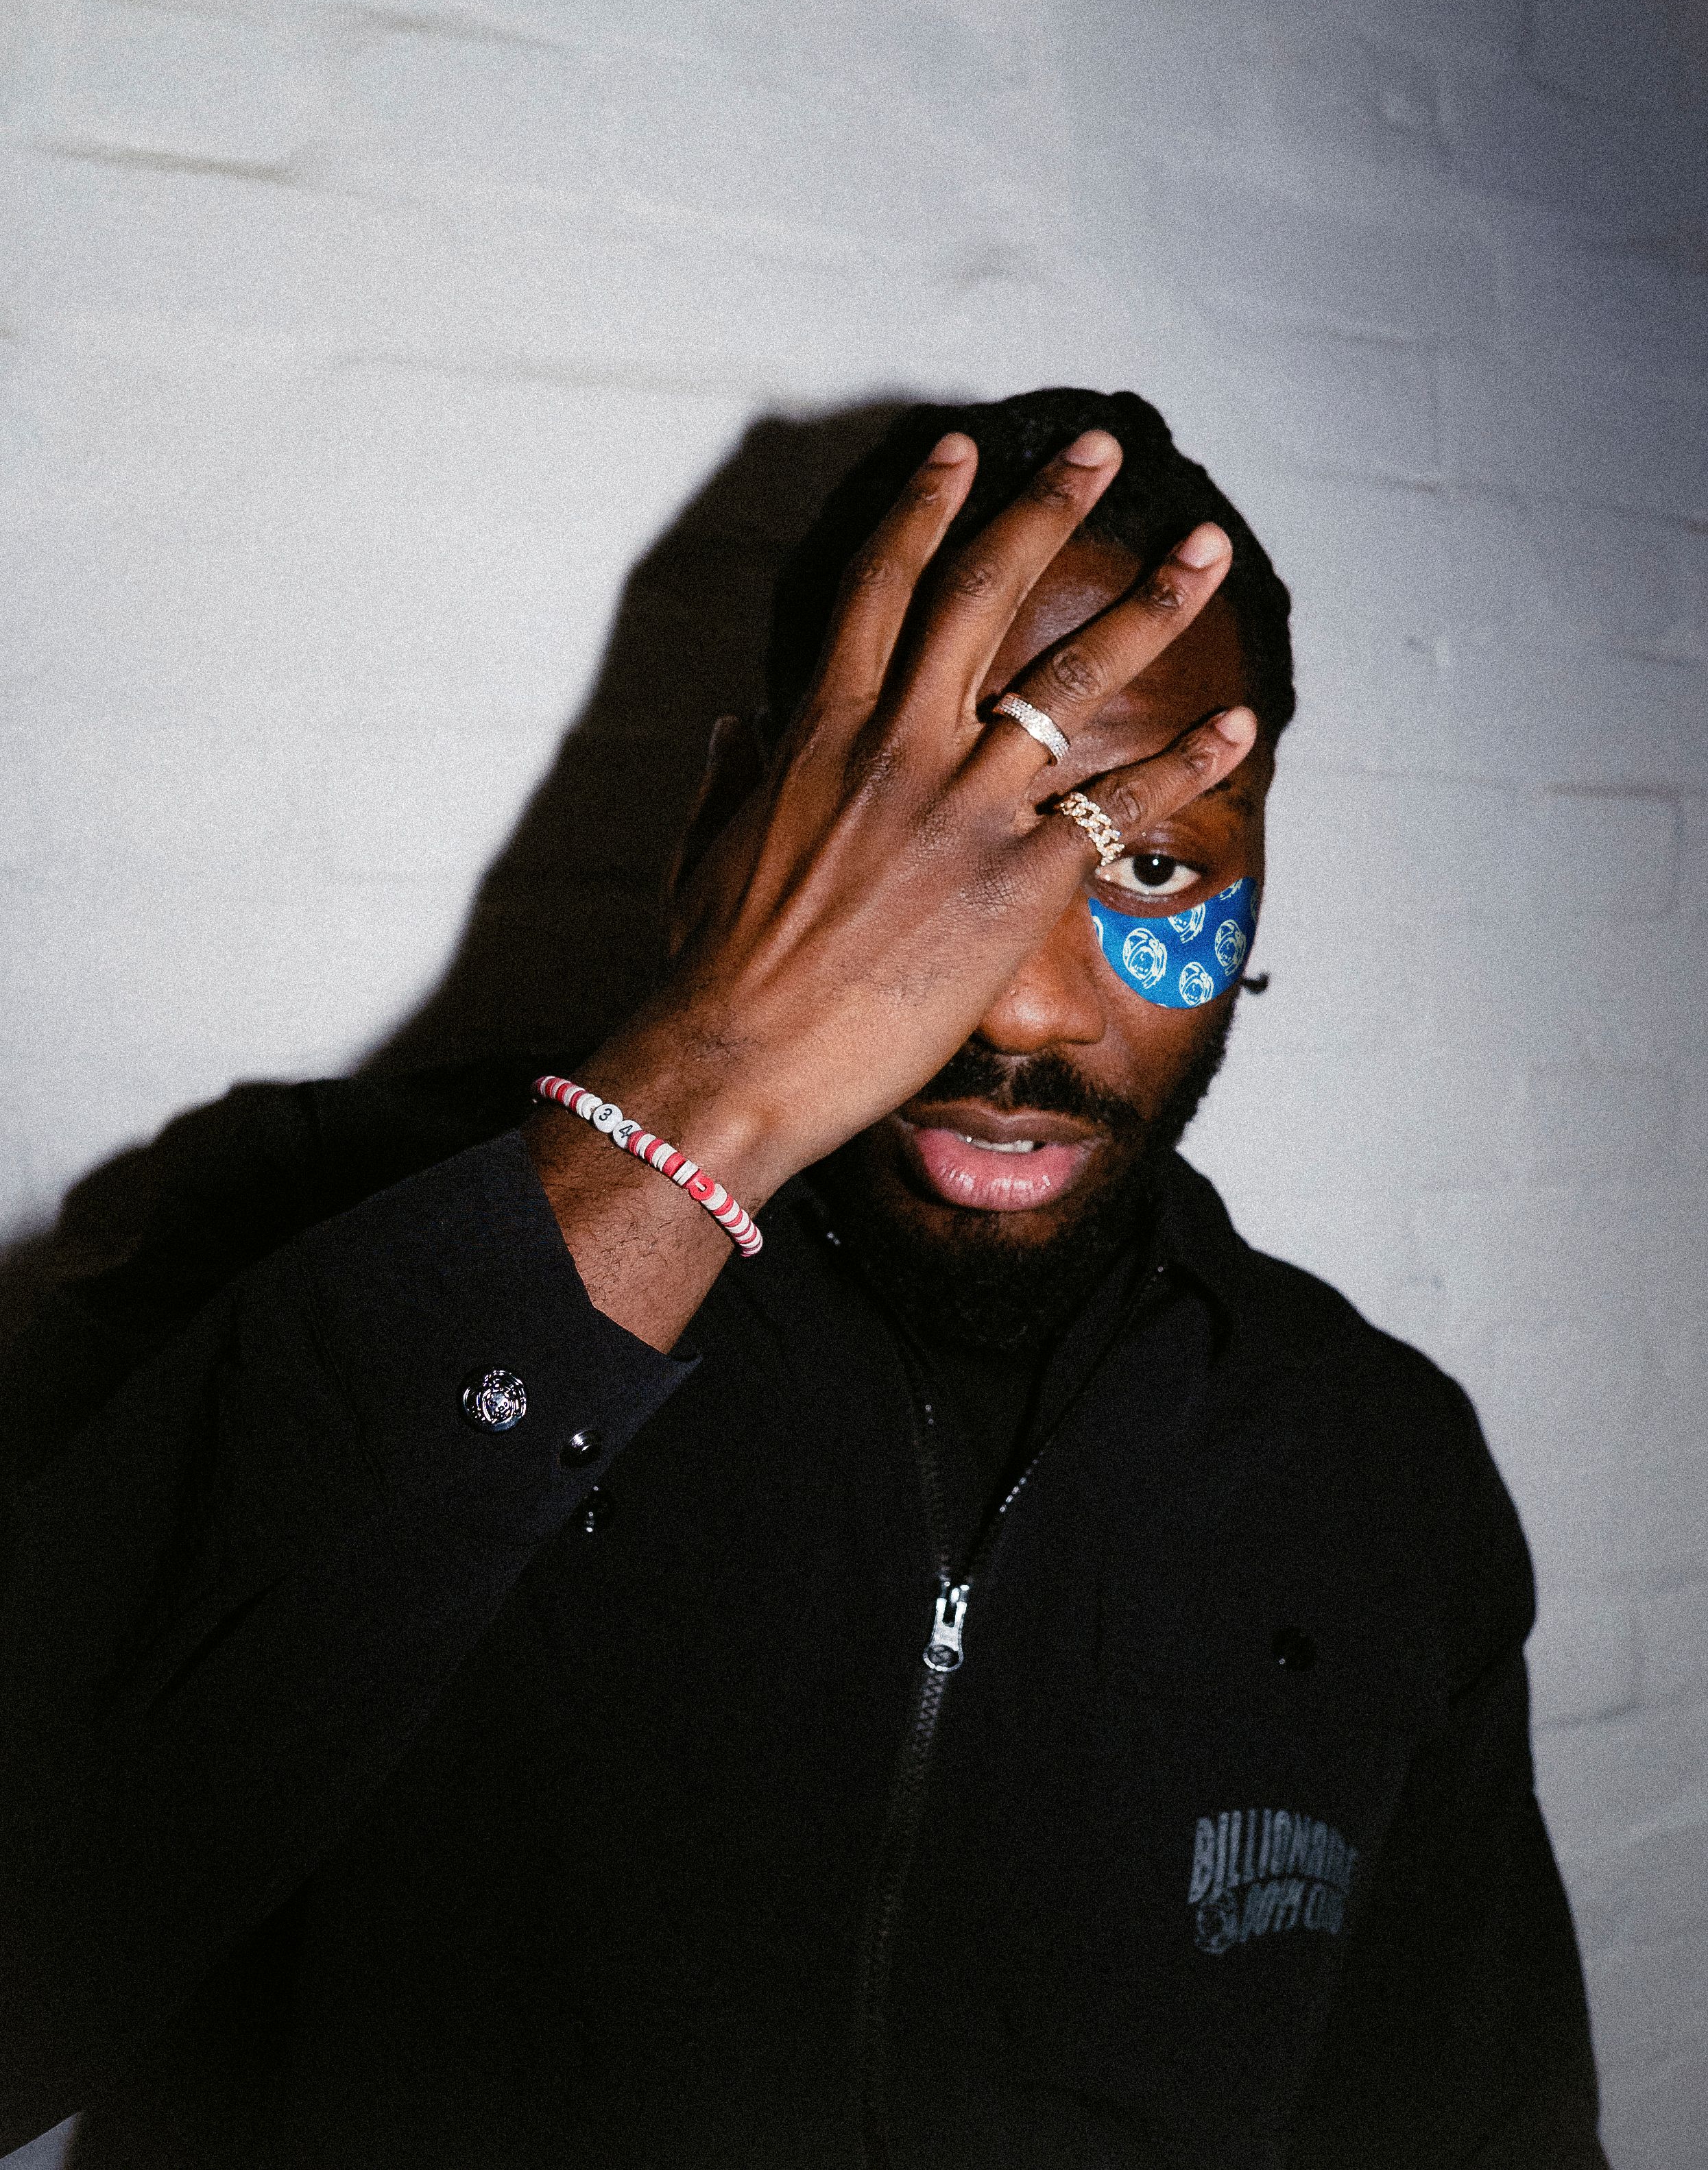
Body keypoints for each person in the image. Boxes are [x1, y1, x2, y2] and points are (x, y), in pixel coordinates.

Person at [0, 387, 1604, 2169]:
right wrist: (719, 1083)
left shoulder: (1370, 1458)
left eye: (1152, 866)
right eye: (915, 847)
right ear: (726, 835)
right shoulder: (295, 1231)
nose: (1018, 1007)